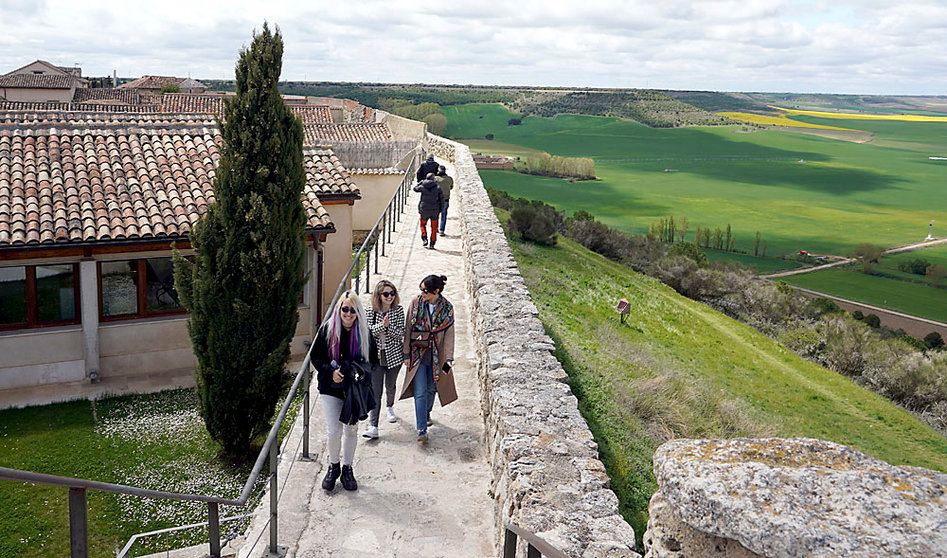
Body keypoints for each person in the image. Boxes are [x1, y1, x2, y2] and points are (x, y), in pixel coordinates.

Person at [312, 291, 371, 491]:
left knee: (351, 429)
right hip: (330, 387)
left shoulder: (364, 333)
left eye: (353, 310)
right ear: (339, 309)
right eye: (345, 309)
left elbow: (371, 361)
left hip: (353, 389)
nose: (348, 313)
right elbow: (316, 357)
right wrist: (331, 372)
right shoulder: (327, 330)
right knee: (334, 430)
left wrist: (356, 371)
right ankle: (333, 466)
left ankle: (347, 468)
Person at [400, 274, 457, 443]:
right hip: (418, 354)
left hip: (437, 356)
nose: (422, 293)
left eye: (425, 291)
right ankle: (421, 430)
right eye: (421, 289)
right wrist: (406, 353)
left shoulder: (447, 308)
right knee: (420, 392)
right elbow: (408, 328)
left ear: (436, 291)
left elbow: (449, 335)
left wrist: (448, 358)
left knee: (432, 388)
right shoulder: (416, 303)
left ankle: (426, 412)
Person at [363, 280, 406, 439]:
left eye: (392, 293)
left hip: (394, 356)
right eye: (386, 294)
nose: (389, 297)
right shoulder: (370, 311)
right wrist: (383, 325)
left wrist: (387, 328)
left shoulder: (398, 310)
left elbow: (401, 333)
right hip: (376, 357)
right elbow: (367, 332)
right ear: (379, 295)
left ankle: (389, 406)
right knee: (375, 391)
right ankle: (373, 426)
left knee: (391, 385)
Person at [414, 173, 445, 250]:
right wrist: (441, 209)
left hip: (424, 209)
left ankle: (424, 238)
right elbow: (442, 200)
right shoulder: (438, 188)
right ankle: (432, 243)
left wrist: (420, 182)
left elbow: (415, 188)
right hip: (435, 211)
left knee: (422, 224)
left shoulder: (422, 187)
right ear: (433, 179)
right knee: (434, 228)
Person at [433, 165, 453, 236]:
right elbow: (451, 187)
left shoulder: (435, 179)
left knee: (435, 215)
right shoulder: (449, 179)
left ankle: (435, 228)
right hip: (446, 199)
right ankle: (442, 230)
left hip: (436, 199)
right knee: (443, 215)